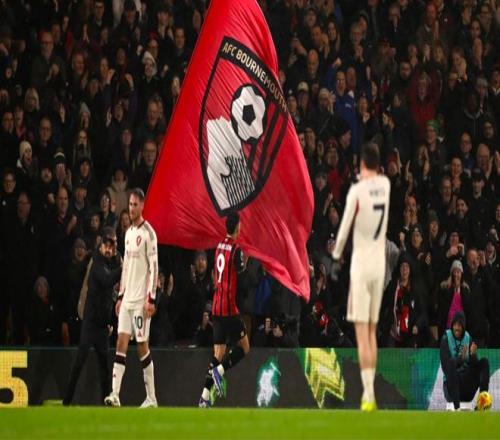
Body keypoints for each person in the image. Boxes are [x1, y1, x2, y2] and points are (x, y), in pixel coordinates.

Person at [331, 143, 390, 411]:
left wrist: (336, 255)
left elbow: (344, 227)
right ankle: (370, 391)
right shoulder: (385, 187)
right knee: (372, 331)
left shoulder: (357, 190)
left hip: (362, 265)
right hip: (379, 265)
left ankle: (368, 393)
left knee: (361, 331)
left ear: (363, 165)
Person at [104, 188, 159, 408]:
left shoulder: (149, 234)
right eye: (130, 204)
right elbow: (126, 266)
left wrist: (151, 299)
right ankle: (115, 394)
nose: (132, 208)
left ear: (142, 206)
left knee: (142, 346)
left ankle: (152, 398)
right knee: (121, 342)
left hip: (141, 301)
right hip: (127, 300)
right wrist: (120, 296)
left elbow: (154, 268)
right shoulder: (127, 234)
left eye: (135, 204)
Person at [63, 227, 122, 405]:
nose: (109, 250)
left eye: (112, 246)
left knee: (104, 368)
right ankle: (67, 401)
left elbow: (112, 294)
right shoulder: (96, 262)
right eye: (107, 245)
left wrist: (110, 321)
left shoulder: (112, 261)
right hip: (90, 323)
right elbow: (107, 280)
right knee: (79, 362)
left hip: (102, 325)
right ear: (101, 245)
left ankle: (105, 402)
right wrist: (123, 268)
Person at [198, 212, 249, 407]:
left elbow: (216, 272)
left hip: (216, 307)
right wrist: (247, 259)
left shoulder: (218, 246)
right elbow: (241, 274)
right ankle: (219, 372)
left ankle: (204, 397)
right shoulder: (236, 250)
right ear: (237, 227)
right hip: (228, 308)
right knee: (244, 347)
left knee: (218, 354)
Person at [440, 311, 492, 411]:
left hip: (466, 388)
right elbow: (446, 368)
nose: (456, 328)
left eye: (459, 325)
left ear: (463, 327)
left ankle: (482, 404)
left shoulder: (468, 338)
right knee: (451, 363)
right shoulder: (446, 338)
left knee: (484, 362)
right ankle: (457, 408)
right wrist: (460, 359)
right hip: (451, 389)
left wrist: (473, 355)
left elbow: (474, 367)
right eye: (455, 325)